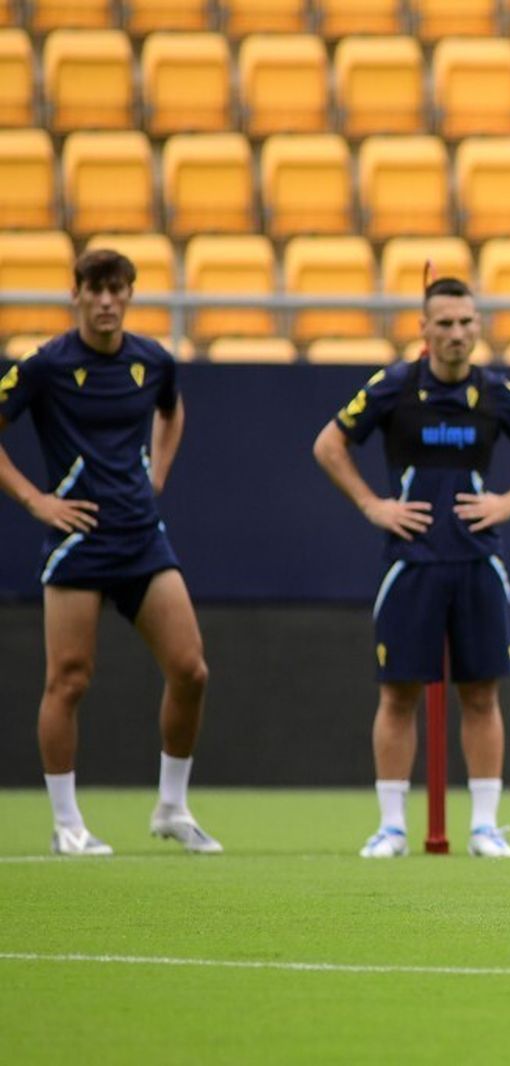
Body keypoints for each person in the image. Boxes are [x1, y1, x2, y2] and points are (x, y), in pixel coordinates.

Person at [312, 277, 510, 859]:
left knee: (481, 694)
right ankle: (391, 827)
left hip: (478, 561)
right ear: (423, 330)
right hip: (412, 563)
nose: (456, 333)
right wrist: (372, 505)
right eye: (444, 323)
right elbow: (329, 444)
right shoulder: (394, 387)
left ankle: (484, 826)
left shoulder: (496, 393)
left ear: (478, 328)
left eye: (465, 323)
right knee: (397, 694)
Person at [0, 248, 220, 856]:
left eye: (116, 289)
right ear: (76, 294)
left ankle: (172, 807)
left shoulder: (151, 360)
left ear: (128, 294)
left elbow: (172, 413)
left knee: (191, 669)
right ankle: (67, 824)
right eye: (94, 289)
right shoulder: (45, 365)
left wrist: (158, 475)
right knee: (68, 680)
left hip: (142, 537)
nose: (105, 300)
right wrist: (35, 501)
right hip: (77, 541)